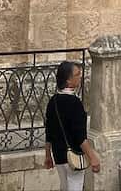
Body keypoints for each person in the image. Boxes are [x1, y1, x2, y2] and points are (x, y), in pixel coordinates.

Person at [44, 60, 101, 191]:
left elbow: (49, 131)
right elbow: (80, 136)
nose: (80, 77)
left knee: (64, 186)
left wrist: (48, 155)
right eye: (77, 75)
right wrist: (92, 157)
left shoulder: (53, 102)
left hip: (58, 156)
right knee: (74, 186)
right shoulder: (74, 103)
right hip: (73, 156)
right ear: (68, 81)